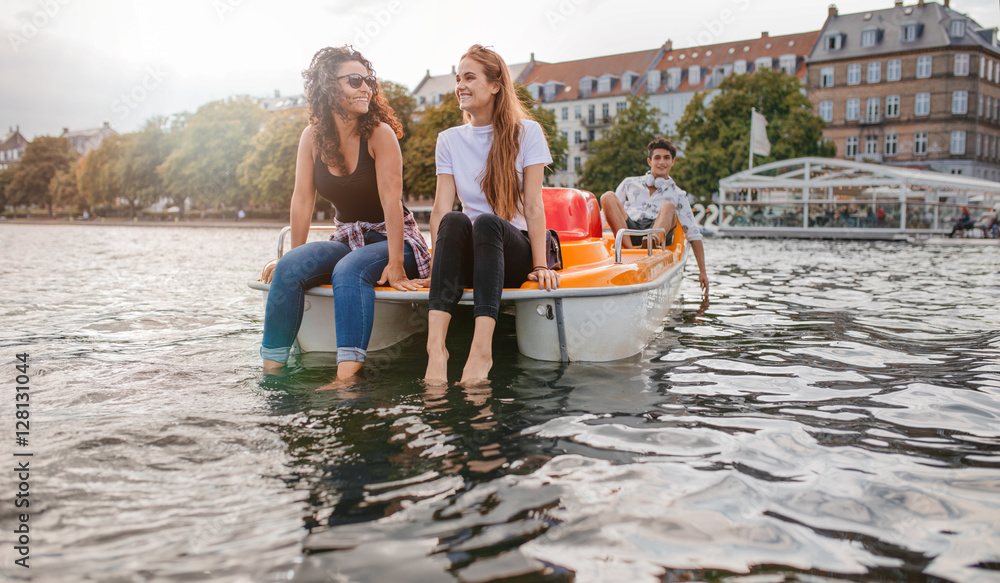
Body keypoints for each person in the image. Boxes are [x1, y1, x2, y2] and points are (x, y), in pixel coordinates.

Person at [260, 46, 430, 380]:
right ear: (327, 85)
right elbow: (302, 199)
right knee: (291, 267)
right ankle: (271, 370)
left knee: (349, 271)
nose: (365, 88)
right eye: (354, 81)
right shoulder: (311, 137)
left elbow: (392, 203)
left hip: (397, 241)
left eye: (368, 81)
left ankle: (346, 379)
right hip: (349, 238)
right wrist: (292, 254)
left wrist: (396, 265)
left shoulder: (380, 134)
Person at [420, 44, 557, 385]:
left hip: (513, 252)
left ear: (495, 85)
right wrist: (437, 267)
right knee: (455, 220)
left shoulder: (528, 133)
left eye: (470, 78)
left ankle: (482, 349)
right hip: (473, 256)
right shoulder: (449, 140)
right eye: (457, 79)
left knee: (486, 223)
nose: (460, 86)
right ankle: (436, 351)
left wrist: (541, 265)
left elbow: (535, 205)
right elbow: (440, 210)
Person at [600, 137, 708, 295]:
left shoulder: (678, 194)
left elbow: (692, 232)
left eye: (666, 158)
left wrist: (703, 272)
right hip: (630, 231)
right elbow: (605, 217)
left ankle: (650, 245)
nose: (661, 162)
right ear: (649, 161)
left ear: (673, 162)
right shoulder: (629, 183)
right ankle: (633, 253)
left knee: (669, 206)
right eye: (657, 157)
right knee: (607, 197)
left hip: (656, 231)